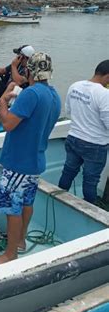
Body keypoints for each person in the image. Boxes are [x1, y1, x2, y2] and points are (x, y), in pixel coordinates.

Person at [0, 52, 61, 265]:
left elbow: (8, 124)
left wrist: (3, 101)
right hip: (35, 160)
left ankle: (10, 253)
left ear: (29, 71)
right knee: (26, 201)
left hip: (18, 162)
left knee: (11, 206)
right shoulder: (54, 94)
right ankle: (20, 240)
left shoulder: (31, 94)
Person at [58, 60, 109, 204]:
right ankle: (90, 208)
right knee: (91, 180)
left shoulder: (75, 86)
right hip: (95, 145)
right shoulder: (104, 94)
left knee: (68, 172)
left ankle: (59, 199)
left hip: (74, 138)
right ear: (107, 77)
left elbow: (69, 110)